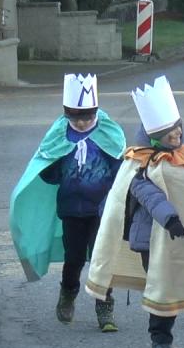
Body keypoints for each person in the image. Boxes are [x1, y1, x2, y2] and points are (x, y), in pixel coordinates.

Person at [87, 76, 184, 348]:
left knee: (169, 283)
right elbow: (148, 194)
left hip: (176, 236)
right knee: (161, 284)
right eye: (169, 132)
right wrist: (170, 218)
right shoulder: (140, 162)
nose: (176, 133)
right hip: (150, 237)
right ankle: (160, 341)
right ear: (154, 137)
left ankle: (163, 336)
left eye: (178, 128)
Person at [8, 74, 125, 331]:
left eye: (87, 117)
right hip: (71, 209)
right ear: (66, 114)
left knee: (102, 257)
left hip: (101, 209)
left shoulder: (108, 133)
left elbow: (120, 167)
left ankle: (105, 306)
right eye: (75, 118)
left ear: (95, 113)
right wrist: (51, 167)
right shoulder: (59, 135)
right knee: (74, 258)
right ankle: (68, 293)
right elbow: (48, 168)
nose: (81, 123)